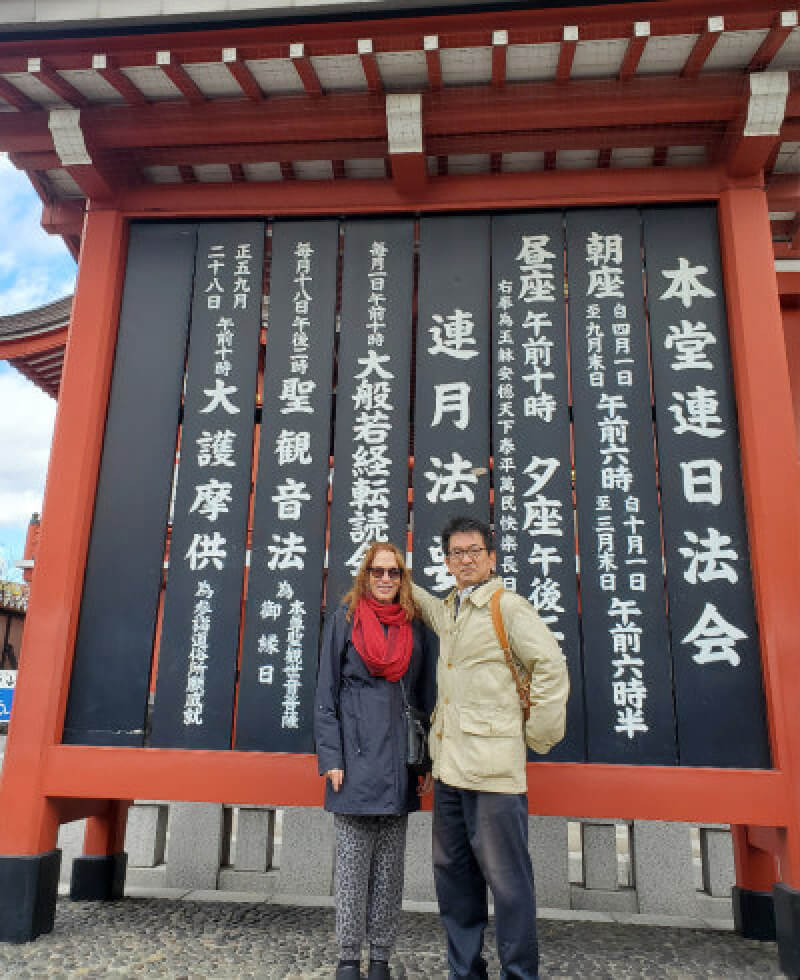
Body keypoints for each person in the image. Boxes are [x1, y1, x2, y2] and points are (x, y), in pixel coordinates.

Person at [412, 515, 569, 980]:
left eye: (474, 551)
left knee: (508, 883)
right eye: (456, 553)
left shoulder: (508, 607)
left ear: (491, 557)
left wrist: (536, 736)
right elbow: (422, 605)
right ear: (447, 562)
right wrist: (394, 566)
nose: (465, 560)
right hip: (450, 772)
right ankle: (465, 972)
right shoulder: (453, 609)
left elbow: (551, 666)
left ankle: (519, 973)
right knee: (454, 881)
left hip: (495, 775)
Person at [315, 541, 436, 980]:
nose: (385, 579)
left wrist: (423, 765)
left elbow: (425, 701)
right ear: (364, 576)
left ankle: (381, 956)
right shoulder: (344, 622)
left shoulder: (416, 629)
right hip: (353, 762)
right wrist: (331, 756)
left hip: (399, 765)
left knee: (390, 870)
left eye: (394, 572)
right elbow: (325, 695)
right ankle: (349, 957)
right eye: (377, 571)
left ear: (403, 580)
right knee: (351, 869)